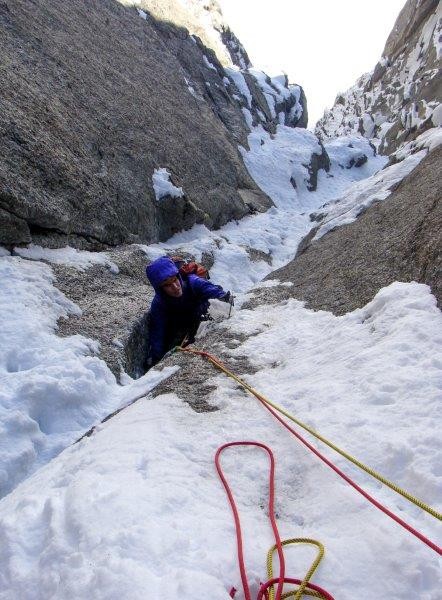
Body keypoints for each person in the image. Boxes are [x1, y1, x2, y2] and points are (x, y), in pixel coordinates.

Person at [145, 256, 233, 366]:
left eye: (175, 279)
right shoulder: (159, 303)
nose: (175, 286)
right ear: (160, 289)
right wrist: (155, 359)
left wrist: (222, 301)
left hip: (203, 319)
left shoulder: (194, 282)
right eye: (167, 284)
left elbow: (221, 297)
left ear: (178, 276)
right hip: (182, 326)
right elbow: (158, 332)